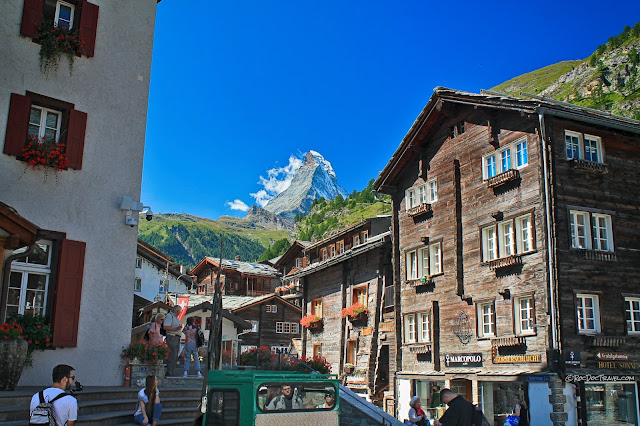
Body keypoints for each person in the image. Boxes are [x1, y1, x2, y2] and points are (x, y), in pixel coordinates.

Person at [163, 305, 183, 376]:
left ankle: (171, 370)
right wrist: (175, 329)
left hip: (176, 337)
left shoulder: (175, 317)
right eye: (179, 311)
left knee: (175, 355)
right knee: (172, 354)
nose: (179, 313)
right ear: (177, 311)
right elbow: (165, 326)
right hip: (172, 337)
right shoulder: (169, 316)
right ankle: (169, 371)